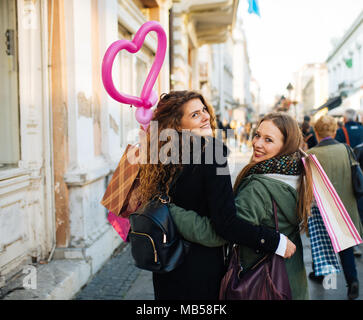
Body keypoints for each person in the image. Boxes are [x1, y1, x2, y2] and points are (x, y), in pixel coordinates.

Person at [138, 91, 296, 300]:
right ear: (177, 125)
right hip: (199, 270)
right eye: (195, 115)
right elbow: (226, 223)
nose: (206, 116)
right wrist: (275, 241)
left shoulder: (159, 155)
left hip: (166, 263)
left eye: (204, 110)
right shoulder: (213, 153)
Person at [169, 112, 313, 300]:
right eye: (257, 135)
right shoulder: (297, 175)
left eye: (268, 140)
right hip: (291, 281)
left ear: (285, 145)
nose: (257, 143)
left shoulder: (258, 189)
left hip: (264, 285)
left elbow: (218, 233)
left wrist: (170, 210)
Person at [307, 115, 363, 300]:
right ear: (334, 131)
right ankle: (352, 280)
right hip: (345, 206)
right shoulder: (346, 149)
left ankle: (320, 272)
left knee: (320, 242)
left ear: (316, 132)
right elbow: (358, 177)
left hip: (322, 208)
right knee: (345, 245)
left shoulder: (311, 154)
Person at [335, 109, 363, 258]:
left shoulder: (342, 132)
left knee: (351, 207)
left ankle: (355, 243)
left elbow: (338, 150)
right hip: (362, 174)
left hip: (349, 173)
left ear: (345, 119)